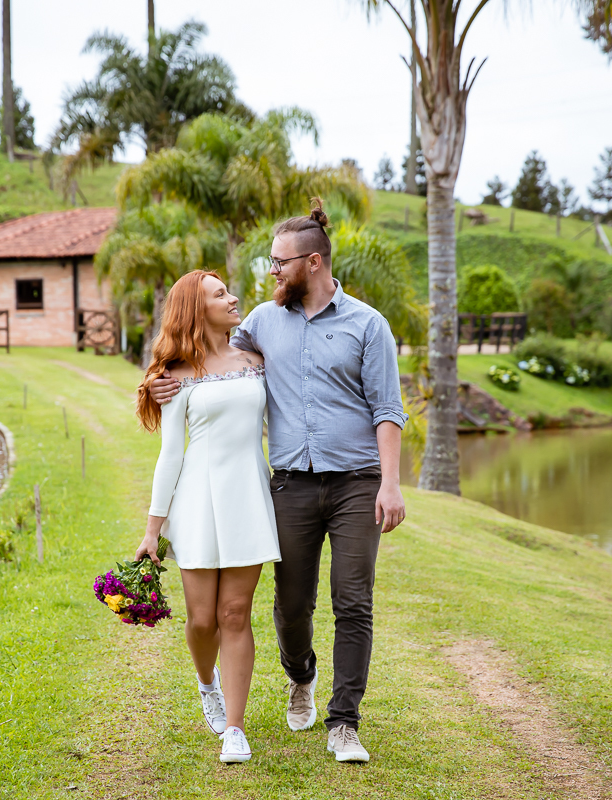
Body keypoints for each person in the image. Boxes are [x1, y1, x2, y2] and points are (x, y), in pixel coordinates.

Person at [148, 199, 407, 763]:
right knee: (291, 606)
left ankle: (345, 724)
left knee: (353, 600)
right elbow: (200, 357)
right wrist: (155, 385)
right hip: (290, 485)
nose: (271, 271)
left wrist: (390, 482)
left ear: (312, 262)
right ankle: (301, 675)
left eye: (278, 262)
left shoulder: (368, 324)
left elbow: (388, 408)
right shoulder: (262, 323)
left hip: (358, 480)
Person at [134, 270, 280, 765]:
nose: (232, 297)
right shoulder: (175, 376)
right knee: (201, 620)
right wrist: (153, 530)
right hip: (196, 501)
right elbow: (170, 455)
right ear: (197, 310)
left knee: (234, 615)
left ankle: (234, 729)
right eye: (220, 294)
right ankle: (206, 682)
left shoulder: (256, 361)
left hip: (249, 498)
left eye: (228, 289)